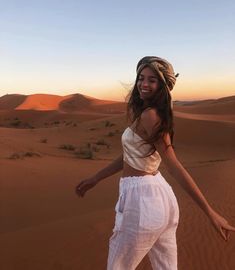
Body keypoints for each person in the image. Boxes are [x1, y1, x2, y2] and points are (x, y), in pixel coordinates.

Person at [75, 56, 235, 270]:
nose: (144, 84)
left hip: (141, 201)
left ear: (162, 86)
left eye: (152, 80)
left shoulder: (151, 116)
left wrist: (209, 212)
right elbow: (129, 155)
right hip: (160, 198)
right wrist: (96, 178)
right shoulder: (149, 113)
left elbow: (173, 165)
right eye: (141, 78)